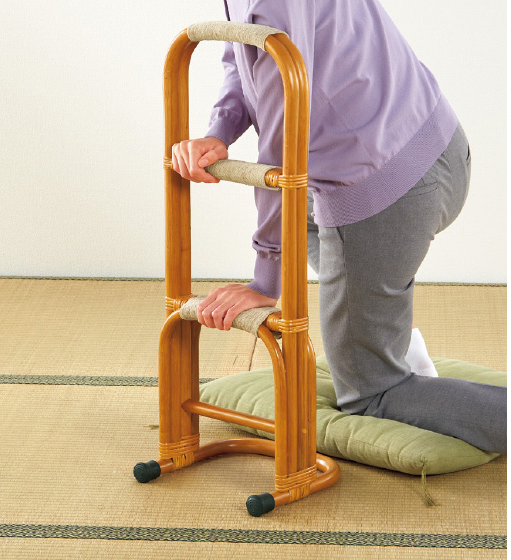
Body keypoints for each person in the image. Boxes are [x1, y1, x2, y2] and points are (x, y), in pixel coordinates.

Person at [171, 0, 506, 453]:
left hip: (388, 192)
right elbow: (243, 52)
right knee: (312, 224)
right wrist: (220, 130)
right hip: (437, 142)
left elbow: (283, 150)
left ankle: (383, 362)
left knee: (370, 395)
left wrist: (267, 280)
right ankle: (389, 335)